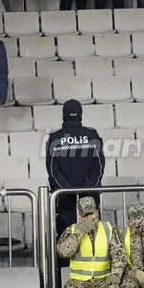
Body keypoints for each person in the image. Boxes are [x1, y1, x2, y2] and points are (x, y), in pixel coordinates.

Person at [46, 99, 105, 234]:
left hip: (64, 200)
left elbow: (52, 169)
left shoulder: (55, 137)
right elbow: (99, 166)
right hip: (90, 199)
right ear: (80, 115)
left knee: (66, 243)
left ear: (63, 115)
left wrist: (67, 189)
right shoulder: (92, 135)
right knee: (91, 241)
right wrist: (86, 189)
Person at [57, 196, 123, 288]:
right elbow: (63, 253)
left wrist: (116, 274)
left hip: (103, 279)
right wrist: (81, 232)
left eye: (91, 214)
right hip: (79, 280)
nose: (89, 218)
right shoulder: (72, 230)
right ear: (79, 216)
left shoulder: (108, 228)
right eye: (85, 216)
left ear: (97, 212)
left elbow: (119, 253)